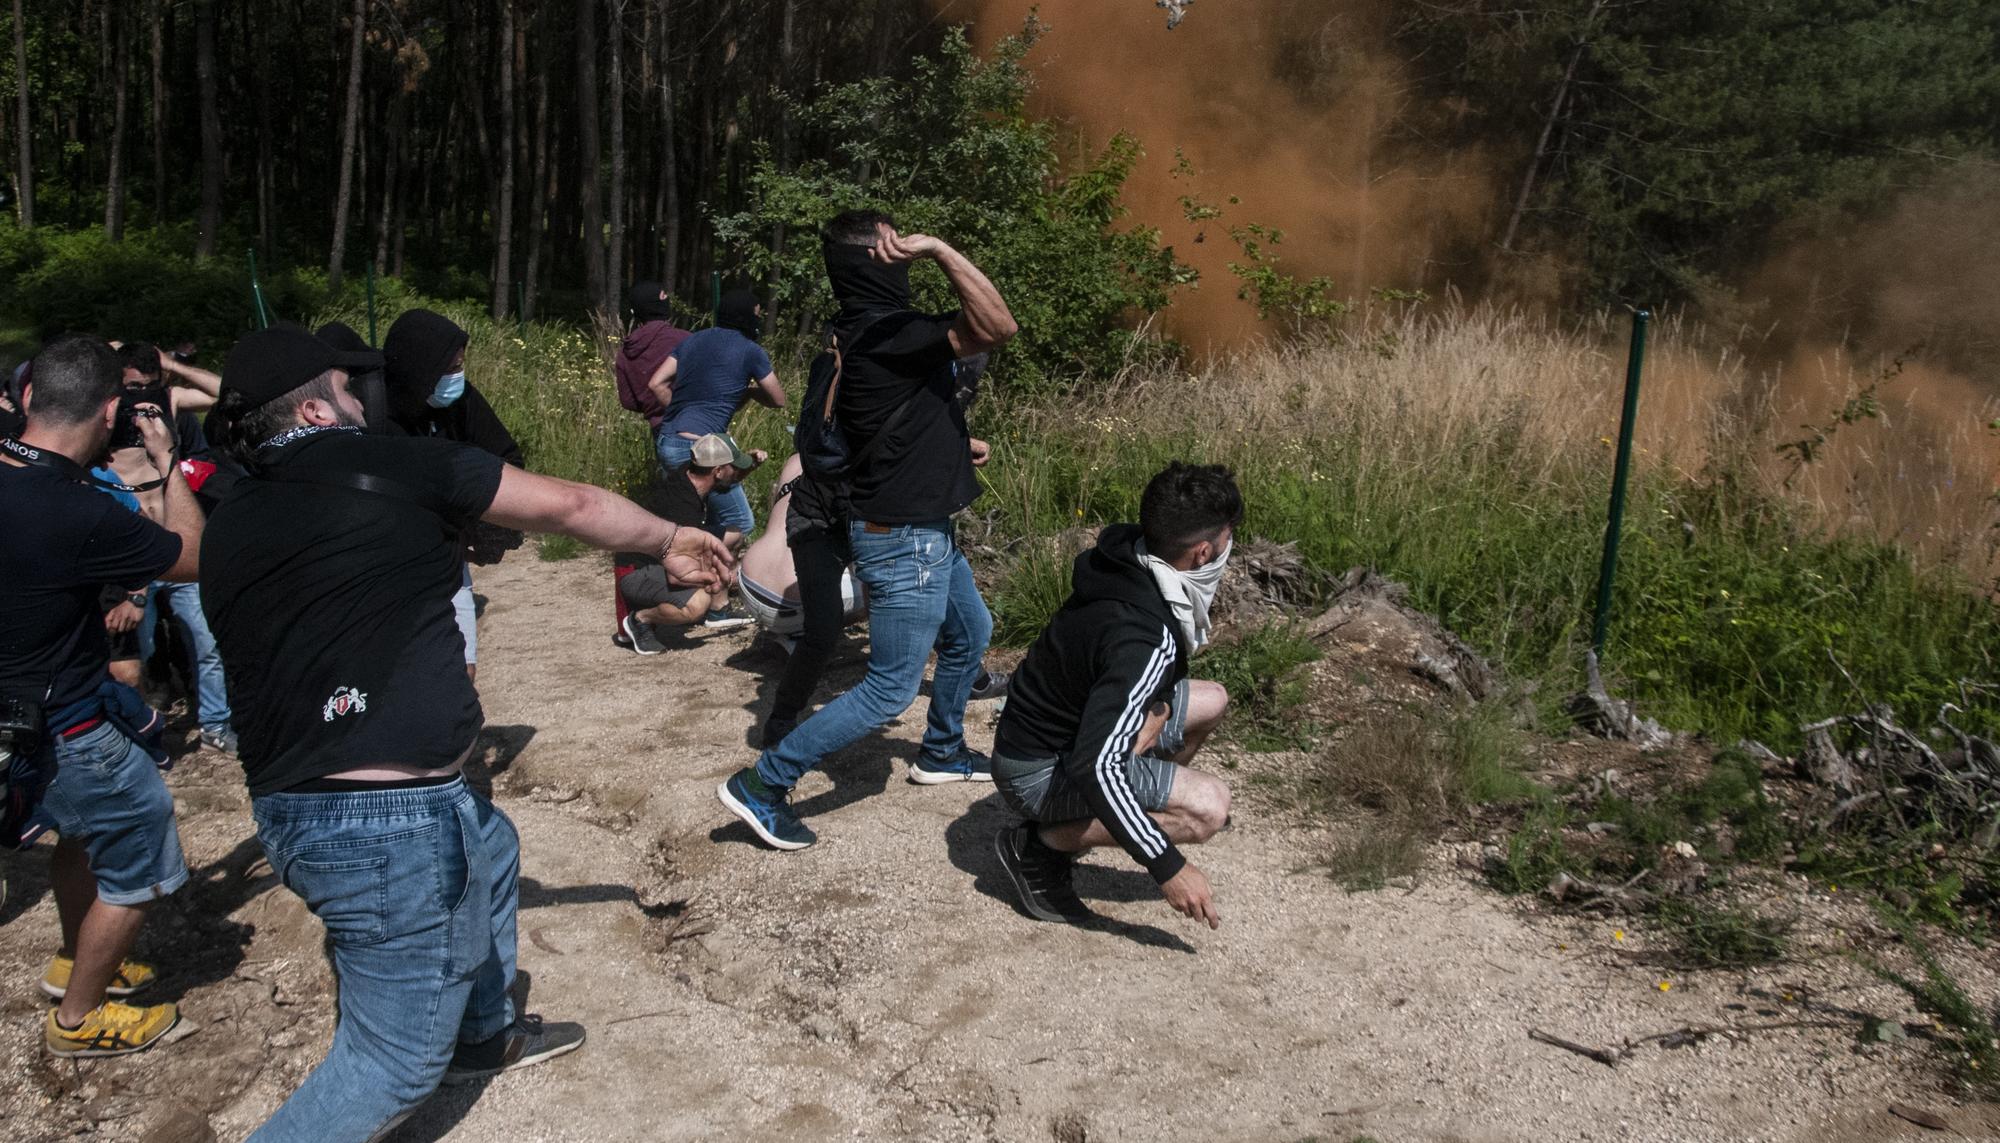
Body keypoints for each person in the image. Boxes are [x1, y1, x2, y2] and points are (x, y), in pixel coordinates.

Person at [199, 325, 732, 1143]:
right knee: (392, 1063)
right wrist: (670, 539)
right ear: (312, 406)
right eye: (347, 388)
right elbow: (572, 506)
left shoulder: (233, 519)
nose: (362, 400)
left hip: (295, 809)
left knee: (491, 843)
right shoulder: (398, 464)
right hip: (386, 819)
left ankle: (484, 1031)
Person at [717, 210, 1017, 850]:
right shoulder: (889, 332)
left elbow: (887, 422)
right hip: (904, 538)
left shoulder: (851, 332)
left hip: (919, 525)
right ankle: (764, 784)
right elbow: (998, 326)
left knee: (971, 634)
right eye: (897, 246)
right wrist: (941, 245)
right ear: (877, 259)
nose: (907, 251)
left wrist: (954, 450)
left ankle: (940, 749)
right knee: (889, 689)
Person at [0, 334, 203, 1056]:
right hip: (70, 728)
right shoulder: (78, 510)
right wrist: (168, 461)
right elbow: (191, 555)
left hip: (14, 731)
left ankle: (72, 958)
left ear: (28, 396)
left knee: (79, 835)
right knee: (143, 860)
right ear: (113, 409)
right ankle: (79, 1019)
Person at [988, 462, 1240, 929]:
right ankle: (1039, 848)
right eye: (1227, 541)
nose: (1229, 550)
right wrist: (1169, 866)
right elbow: (1093, 765)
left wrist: (1160, 707)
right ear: (1203, 552)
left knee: (1213, 699)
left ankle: (1129, 808)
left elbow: (1139, 675)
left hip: (1047, 735)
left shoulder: (1128, 557)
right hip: (1035, 771)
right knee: (1209, 808)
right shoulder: (1144, 635)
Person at [97, 342, 237, 754]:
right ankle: (139, 734)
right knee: (134, 658)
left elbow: (224, 393)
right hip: (130, 554)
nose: (140, 395)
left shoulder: (164, 400)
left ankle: (214, 724)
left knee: (207, 642)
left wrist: (172, 365)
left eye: (148, 384)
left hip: (177, 544)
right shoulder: (101, 409)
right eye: (133, 385)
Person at [382, 308, 527, 682]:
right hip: (389, 567)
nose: (455, 377)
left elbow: (506, 459)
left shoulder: (462, 401)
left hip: (448, 556)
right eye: (446, 370)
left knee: (462, 672)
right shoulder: (373, 416)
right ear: (418, 369)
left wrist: (491, 527)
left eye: (460, 366)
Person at [645, 288, 783, 546]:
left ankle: (682, 559)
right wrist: (751, 392)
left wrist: (679, 411)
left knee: (687, 517)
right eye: (756, 315)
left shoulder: (692, 340)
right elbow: (778, 399)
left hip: (669, 442)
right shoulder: (750, 350)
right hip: (704, 450)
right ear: (747, 317)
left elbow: (656, 383)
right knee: (740, 522)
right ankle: (703, 570)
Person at [617, 433, 762, 653]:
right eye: (734, 466)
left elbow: (728, 479)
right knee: (696, 605)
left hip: (662, 555)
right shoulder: (681, 506)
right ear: (718, 471)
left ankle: (719, 610)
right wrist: (730, 579)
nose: (736, 471)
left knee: (734, 535)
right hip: (637, 572)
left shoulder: (692, 472)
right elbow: (677, 574)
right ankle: (640, 620)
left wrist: (750, 465)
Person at [613, 280, 691, 432]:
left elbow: (628, 401)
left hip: (659, 430)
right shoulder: (685, 340)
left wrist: (652, 407)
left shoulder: (625, 351)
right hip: (694, 426)